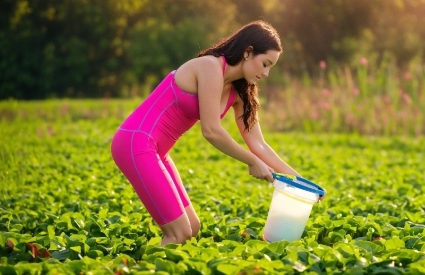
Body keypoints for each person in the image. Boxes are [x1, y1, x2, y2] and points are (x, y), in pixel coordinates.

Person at [110, 20, 302, 245]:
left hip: (158, 152)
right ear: (248, 52)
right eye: (265, 64)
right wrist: (251, 161)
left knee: (192, 229)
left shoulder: (240, 93)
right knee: (178, 233)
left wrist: (299, 181)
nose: (267, 73)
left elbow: (259, 144)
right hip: (136, 142)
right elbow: (211, 130)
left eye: (271, 67)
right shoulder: (210, 67)